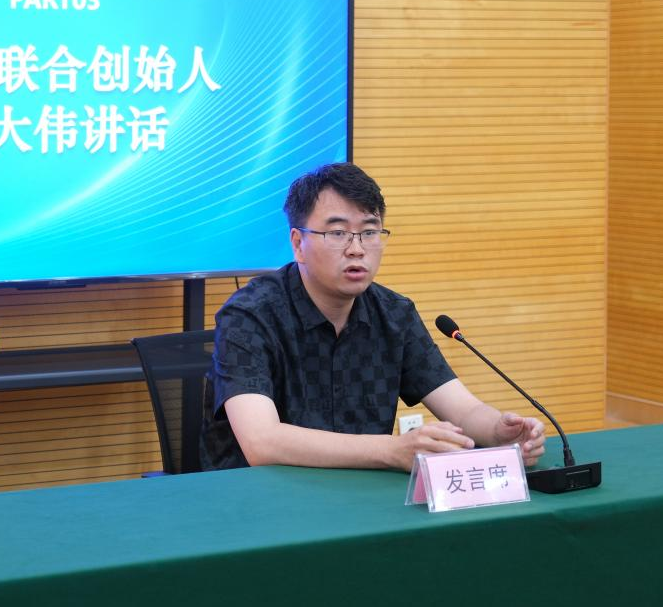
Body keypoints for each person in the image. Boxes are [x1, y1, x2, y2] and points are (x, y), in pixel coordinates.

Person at [201, 162, 546, 472]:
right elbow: (262, 442)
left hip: (362, 501)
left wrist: (499, 431)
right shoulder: (249, 316)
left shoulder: (394, 314)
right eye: (338, 233)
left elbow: (463, 410)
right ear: (298, 244)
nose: (357, 249)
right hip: (259, 503)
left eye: (369, 232)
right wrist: (392, 450)